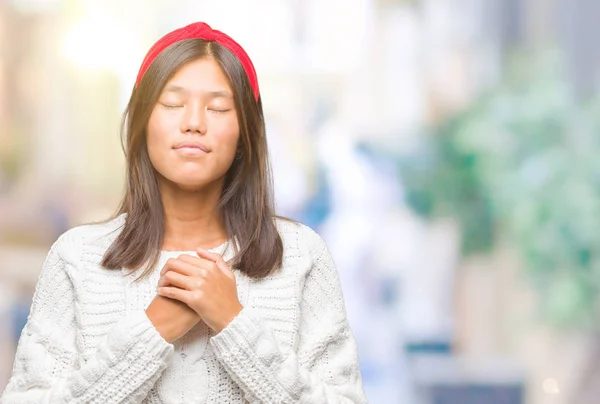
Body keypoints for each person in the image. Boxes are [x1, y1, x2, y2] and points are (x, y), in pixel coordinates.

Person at [0, 22, 367, 403]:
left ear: (246, 133)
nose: (194, 123)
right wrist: (152, 332)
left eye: (218, 107)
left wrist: (233, 322)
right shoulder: (77, 257)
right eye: (173, 104)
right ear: (142, 122)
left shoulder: (300, 256)